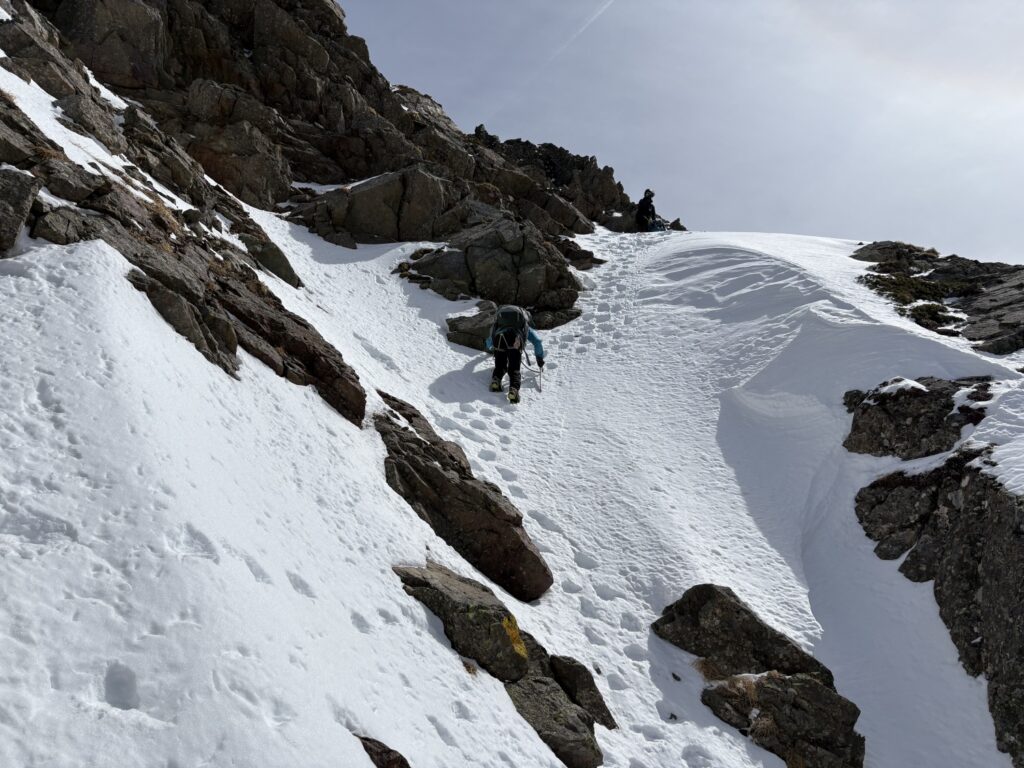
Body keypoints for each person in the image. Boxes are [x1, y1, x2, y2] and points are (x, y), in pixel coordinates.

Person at [486, 305, 545, 404]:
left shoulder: (499, 323)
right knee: (514, 369)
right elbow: (537, 341)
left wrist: (492, 348)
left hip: (499, 340)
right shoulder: (523, 325)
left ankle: (496, 381)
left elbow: (489, 340)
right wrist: (539, 358)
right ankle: (513, 390)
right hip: (515, 342)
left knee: (500, 365)